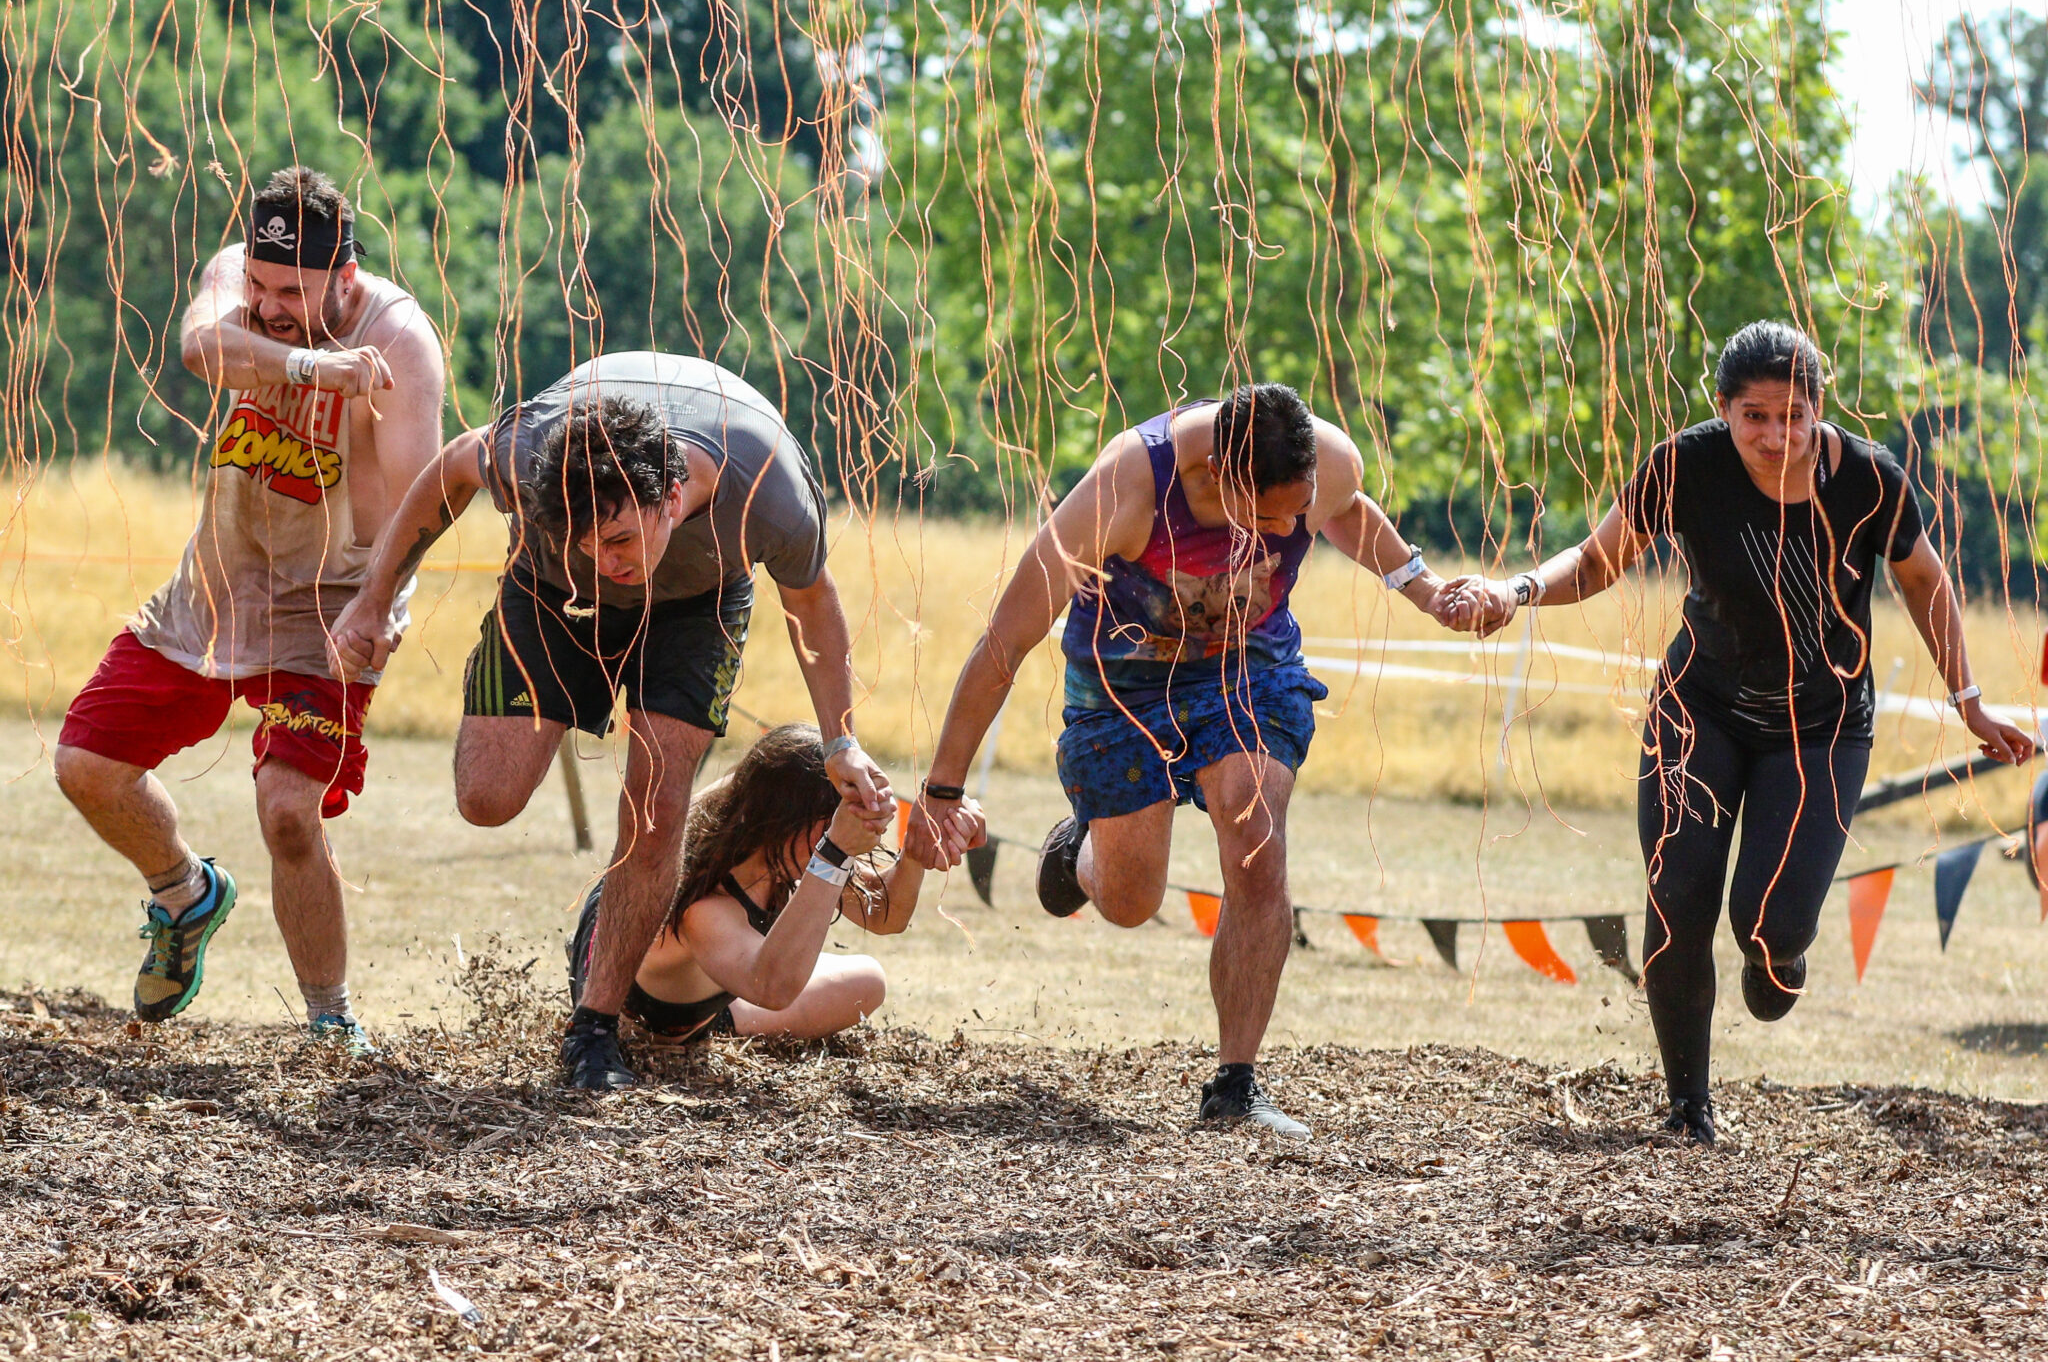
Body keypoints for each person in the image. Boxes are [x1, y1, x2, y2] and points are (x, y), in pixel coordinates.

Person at [1442, 320, 2034, 1145]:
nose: (1774, 435)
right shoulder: (1684, 464)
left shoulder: (1870, 480)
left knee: (1768, 922)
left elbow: (1925, 580)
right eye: (1754, 415)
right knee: (1677, 899)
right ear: (1723, 409)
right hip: (1700, 707)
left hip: (1821, 725)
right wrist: (1519, 588)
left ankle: (1778, 955)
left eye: (1794, 414)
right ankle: (1688, 1106)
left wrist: (1969, 700)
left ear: (1819, 409)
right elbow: (1598, 559)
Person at [328, 351, 896, 1090]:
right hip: (551, 588)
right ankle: (543, 655)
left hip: (697, 604)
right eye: (593, 539)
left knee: (657, 810)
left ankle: (593, 1032)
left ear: (669, 497)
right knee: (487, 797)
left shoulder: (768, 489)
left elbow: (813, 603)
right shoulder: (531, 451)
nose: (611, 559)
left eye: (624, 538)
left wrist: (841, 740)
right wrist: (375, 597)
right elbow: (453, 466)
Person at [904, 383, 1454, 1139]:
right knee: (1131, 900)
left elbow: (1345, 512)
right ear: (1222, 483)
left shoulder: (1326, 465)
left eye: (1301, 509)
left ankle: (1235, 1085)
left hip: (1248, 664)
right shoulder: (1123, 490)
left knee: (1257, 842)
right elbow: (1006, 640)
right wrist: (941, 789)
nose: (1294, 528)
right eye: (1272, 516)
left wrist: (1421, 586)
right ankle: (1083, 851)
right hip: (1122, 684)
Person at [51, 167, 446, 1053]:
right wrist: (310, 363)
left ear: (345, 277)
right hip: (218, 590)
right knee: (85, 765)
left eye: (291, 294)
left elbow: (421, 502)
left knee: (286, 810)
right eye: (260, 289)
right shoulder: (243, 281)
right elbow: (201, 346)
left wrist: (376, 606)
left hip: (334, 607)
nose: (266, 306)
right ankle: (185, 893)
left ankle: (330, 1023)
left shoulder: (401, 343)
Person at [567, 723, 981, 1042]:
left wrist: (917, 848)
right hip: (635, 993)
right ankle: (705, 1025)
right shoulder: (705, 908)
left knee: (867, 982)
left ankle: (716, 1014)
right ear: (782, 823)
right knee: (773, 974)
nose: (844, 835)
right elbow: (774, 987)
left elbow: (884, 914)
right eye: (833, 826)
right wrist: (833, 854)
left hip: (718, 986)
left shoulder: (780, 844)